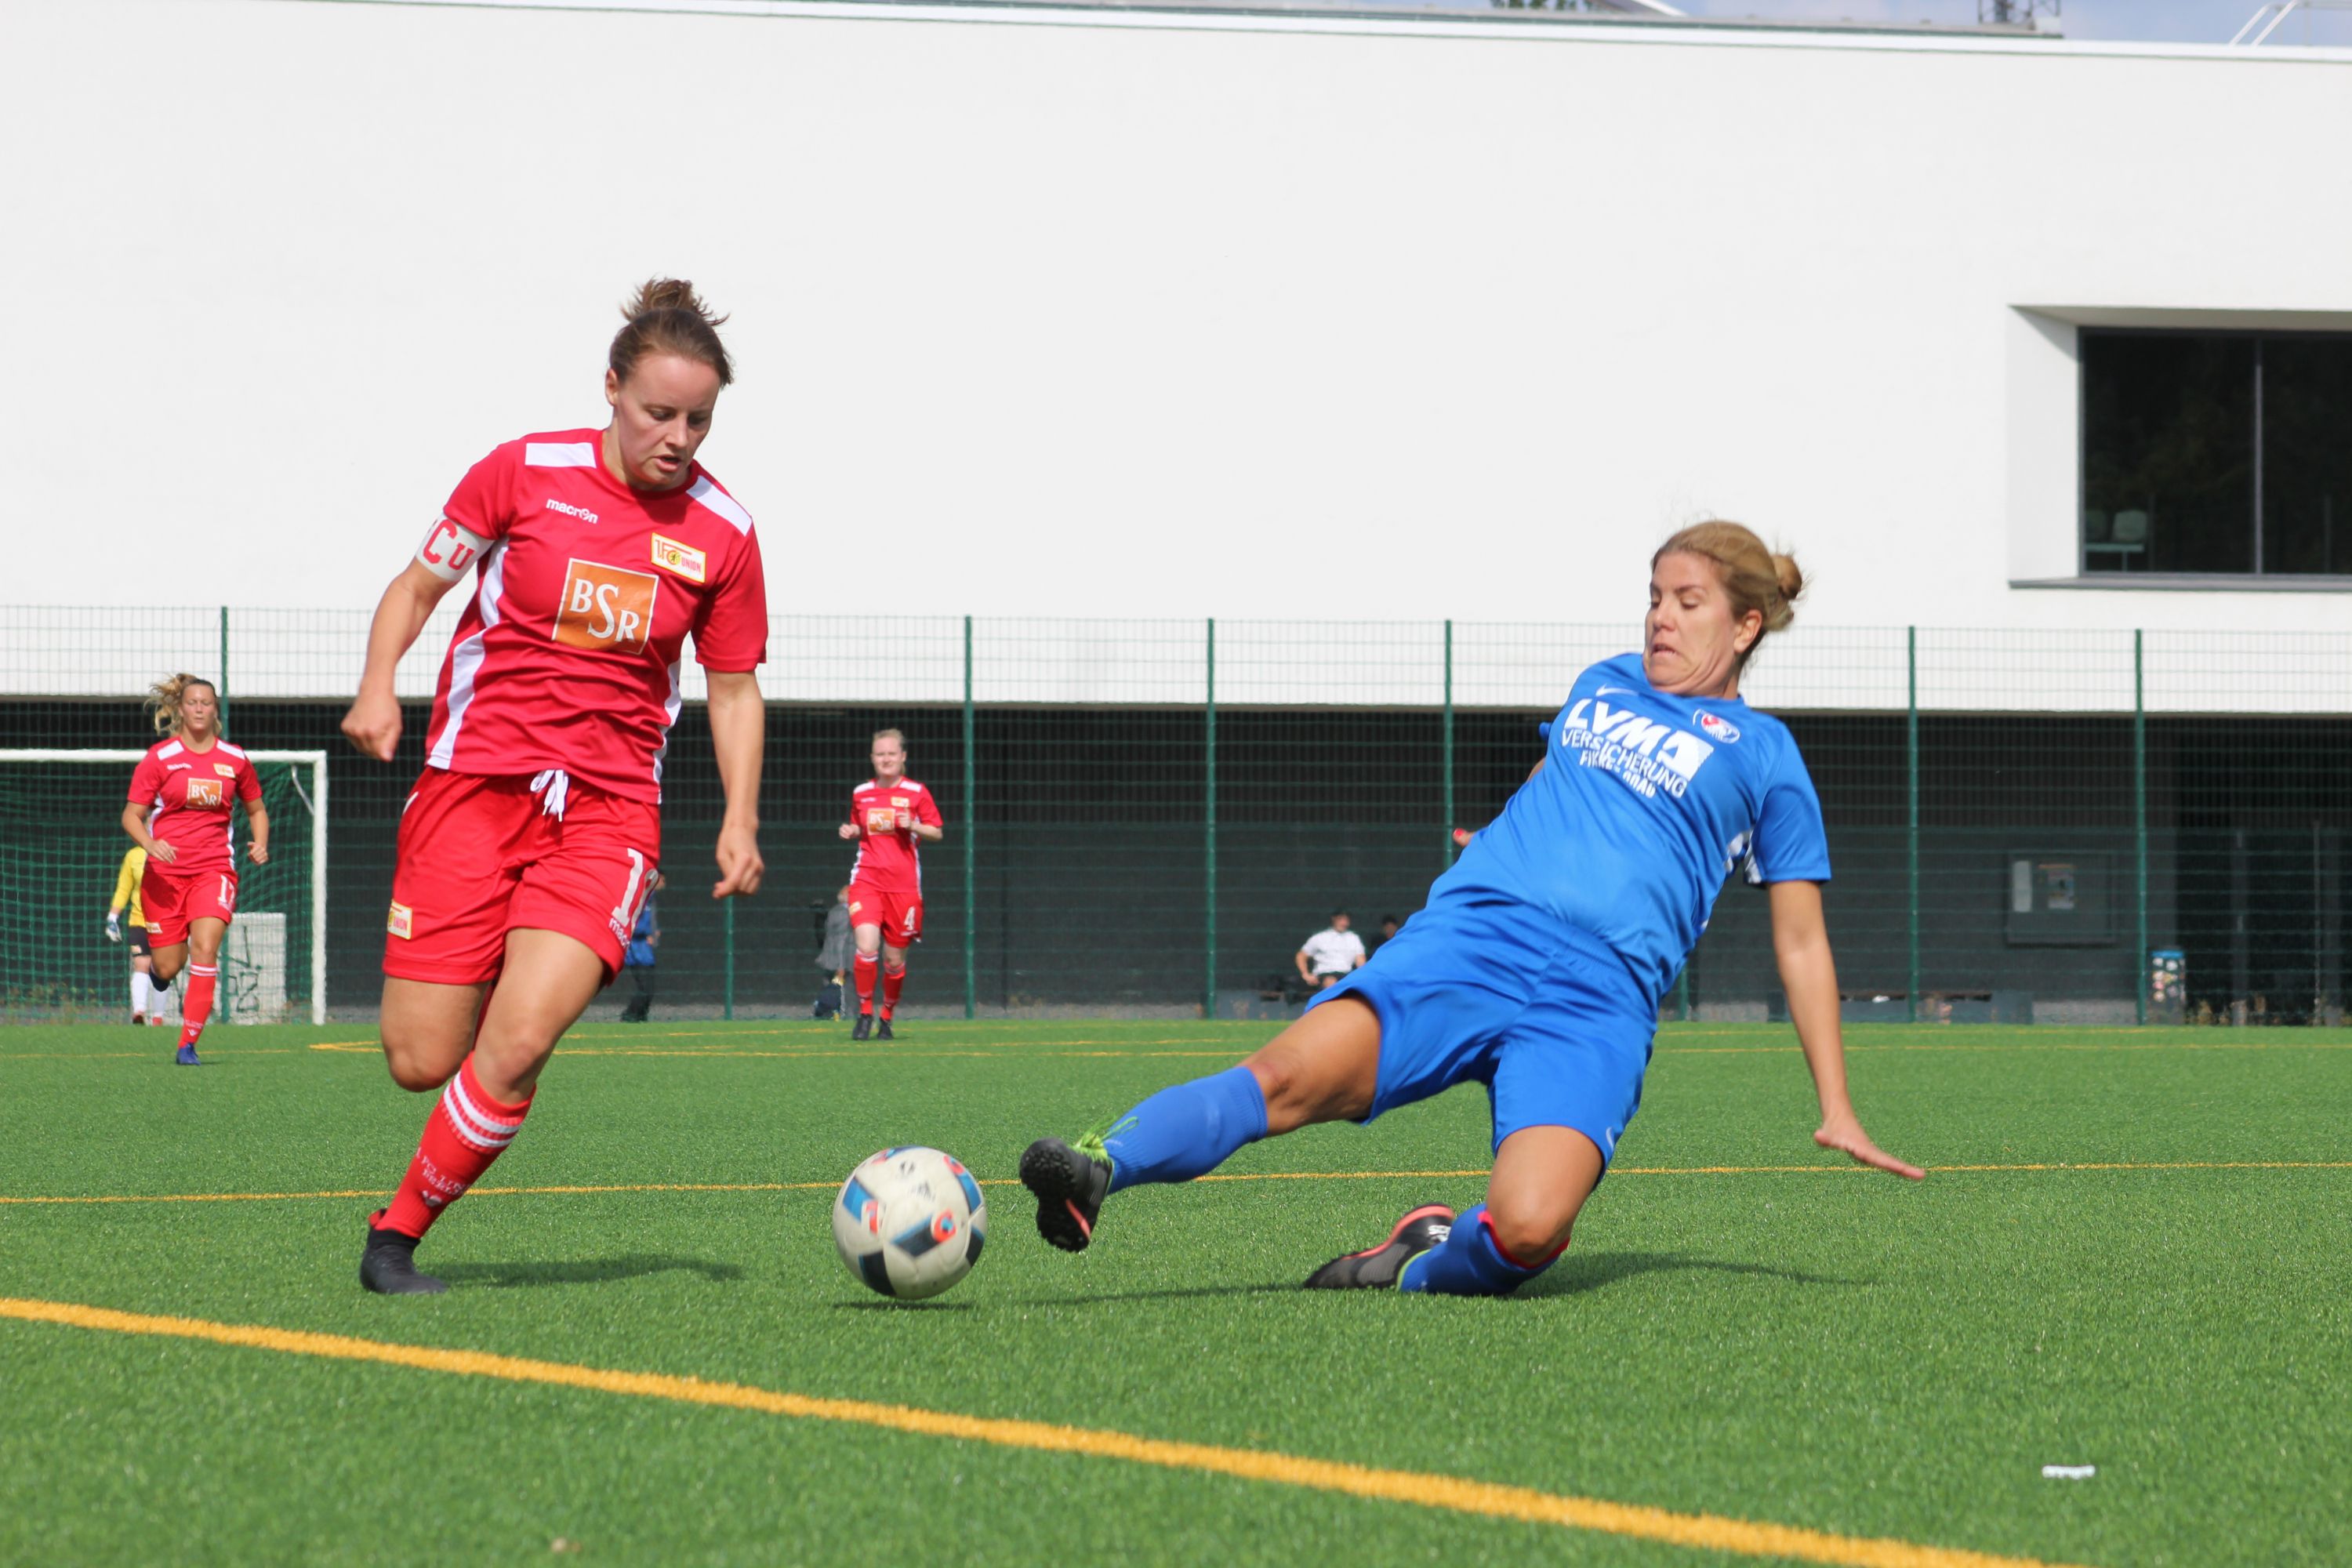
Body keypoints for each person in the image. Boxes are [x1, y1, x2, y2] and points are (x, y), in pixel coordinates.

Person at [1019, 521, 1922, 1294]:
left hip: (1596, 1003)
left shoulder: (1767, 756)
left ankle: (1409, 1262)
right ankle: (1098, 1167)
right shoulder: (1602, 680)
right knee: (1285, 1078)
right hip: (1476, 940)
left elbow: (1801, 942)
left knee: (1526, 1229)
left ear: (1747, 622)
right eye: (1653, 595)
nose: (1659, 616)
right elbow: (1551, 780)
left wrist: (1836, 1102)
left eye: (1687, 600)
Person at [339, 278, 769, 1295]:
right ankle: (481, 954)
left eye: (698, 419)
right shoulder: (523, 474)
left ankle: (394, 1238)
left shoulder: (726, 533)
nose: (678, 437)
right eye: (658, 412)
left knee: (524, 1037)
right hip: (473, 788)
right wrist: (377, 686)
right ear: (611, 390)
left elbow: (736, 687)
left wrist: (739, 816)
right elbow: (417, 586)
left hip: (609, 810)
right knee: (419, 1058)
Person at [120, 675, 267, 1065]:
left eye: (206, 702)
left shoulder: (235, 759)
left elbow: (256, 808)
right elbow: (132, 816)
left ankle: (188, 1044)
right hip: (164, 877)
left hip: (214, 870)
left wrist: (260, 842)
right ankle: (160, 977)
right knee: (168, 964)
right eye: (192, 702)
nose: (199, 708)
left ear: (215, 710)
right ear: (180, 709)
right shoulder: (161, 758)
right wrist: (150, 844)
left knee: (206, 948)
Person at [837, 729, 943, 1040]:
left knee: (894, 960)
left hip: (904, 887)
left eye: (891, 754)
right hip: (868, 881)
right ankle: (865, 1013)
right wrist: (851, 830)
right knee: (866, 946)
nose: (885, 759)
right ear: (872, 758)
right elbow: (860, 826)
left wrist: (915, 825)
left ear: (902, 757)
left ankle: (887, 1017)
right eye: (880, 754)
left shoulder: (916, 792)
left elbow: (937, 831)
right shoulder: (861, 793)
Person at [104, 844, 172, 1026]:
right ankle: (139, 1013)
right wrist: (113, 917)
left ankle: (158, 1018)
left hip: (166, 920)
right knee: (141, 964)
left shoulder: (171, 852)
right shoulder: (133, 856)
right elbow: (124, 888)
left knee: (162, 969)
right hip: (139, 921)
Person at [619, 873, 663, 1022]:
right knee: (645, 987)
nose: (664, 883)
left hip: (645, 949)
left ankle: (641, 1016)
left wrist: (653, 933)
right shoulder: (641, 897)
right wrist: (646, 933)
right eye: (662, 879)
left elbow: (650, 921)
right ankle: (630, 1015)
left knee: (649, 988)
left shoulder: (651, 899)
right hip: (637, 949)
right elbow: (632, 922)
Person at [1294, 909, 1367, 993]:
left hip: (1345, 975)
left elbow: (1360, 961)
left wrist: (1361, 977)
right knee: (1330, 982)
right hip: (1323, 975)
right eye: (1341, 919)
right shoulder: (1319, 937)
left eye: (1346, 920)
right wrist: (1306, 974)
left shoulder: (1354, 938)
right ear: (1334, 919)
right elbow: (1301, 956)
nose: (1344, 923)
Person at [814, 884, 853, 1019]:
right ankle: (840, 1016)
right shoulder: (845, 915)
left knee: (829, 988)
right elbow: (841, 940)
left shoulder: (834, 911)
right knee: (843, 992)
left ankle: (826, 1014)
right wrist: (841, 965)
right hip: (840, 961)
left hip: (828, 959)